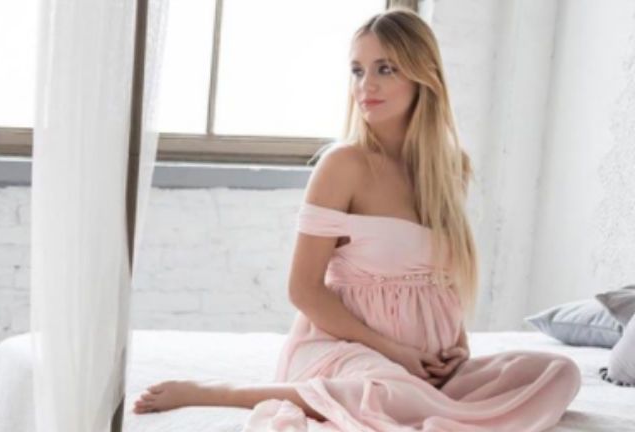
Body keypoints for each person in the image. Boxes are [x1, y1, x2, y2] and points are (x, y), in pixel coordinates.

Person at [133, 8, 581, 431]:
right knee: (385, 391)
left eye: (385, 69)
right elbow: (303, 289)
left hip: (424, 366)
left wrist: (457, 346)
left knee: (558, 372)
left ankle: (427, 399)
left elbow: (440, 281)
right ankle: (225, 391)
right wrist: (393, 351)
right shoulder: (343, 164)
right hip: (349, 354)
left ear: (423, 75)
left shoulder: (450, 169)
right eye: (357, 70)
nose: (367, 84)